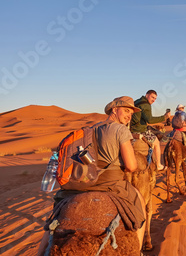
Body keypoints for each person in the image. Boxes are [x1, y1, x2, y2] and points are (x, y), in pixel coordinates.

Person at [38, 96, 146, 254]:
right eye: (126, 110)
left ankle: (40, 252)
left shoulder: (90, 129)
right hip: (111, 184)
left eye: (131, 112)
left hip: (81, 184)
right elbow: (130, 166)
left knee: (55, 218)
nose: (129, 115)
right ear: (114, 110)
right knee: (139, 204)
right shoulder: (121, 130)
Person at [130, 90, 171, 171]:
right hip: (140, 130)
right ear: (147, 95)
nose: (153, 100)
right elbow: (150, 120)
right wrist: (164, 117)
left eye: (155, 99)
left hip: (130, 129)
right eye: (152, 97)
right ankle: (158, 165)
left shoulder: (137, 102)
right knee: (156, 143)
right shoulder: (146, 105)